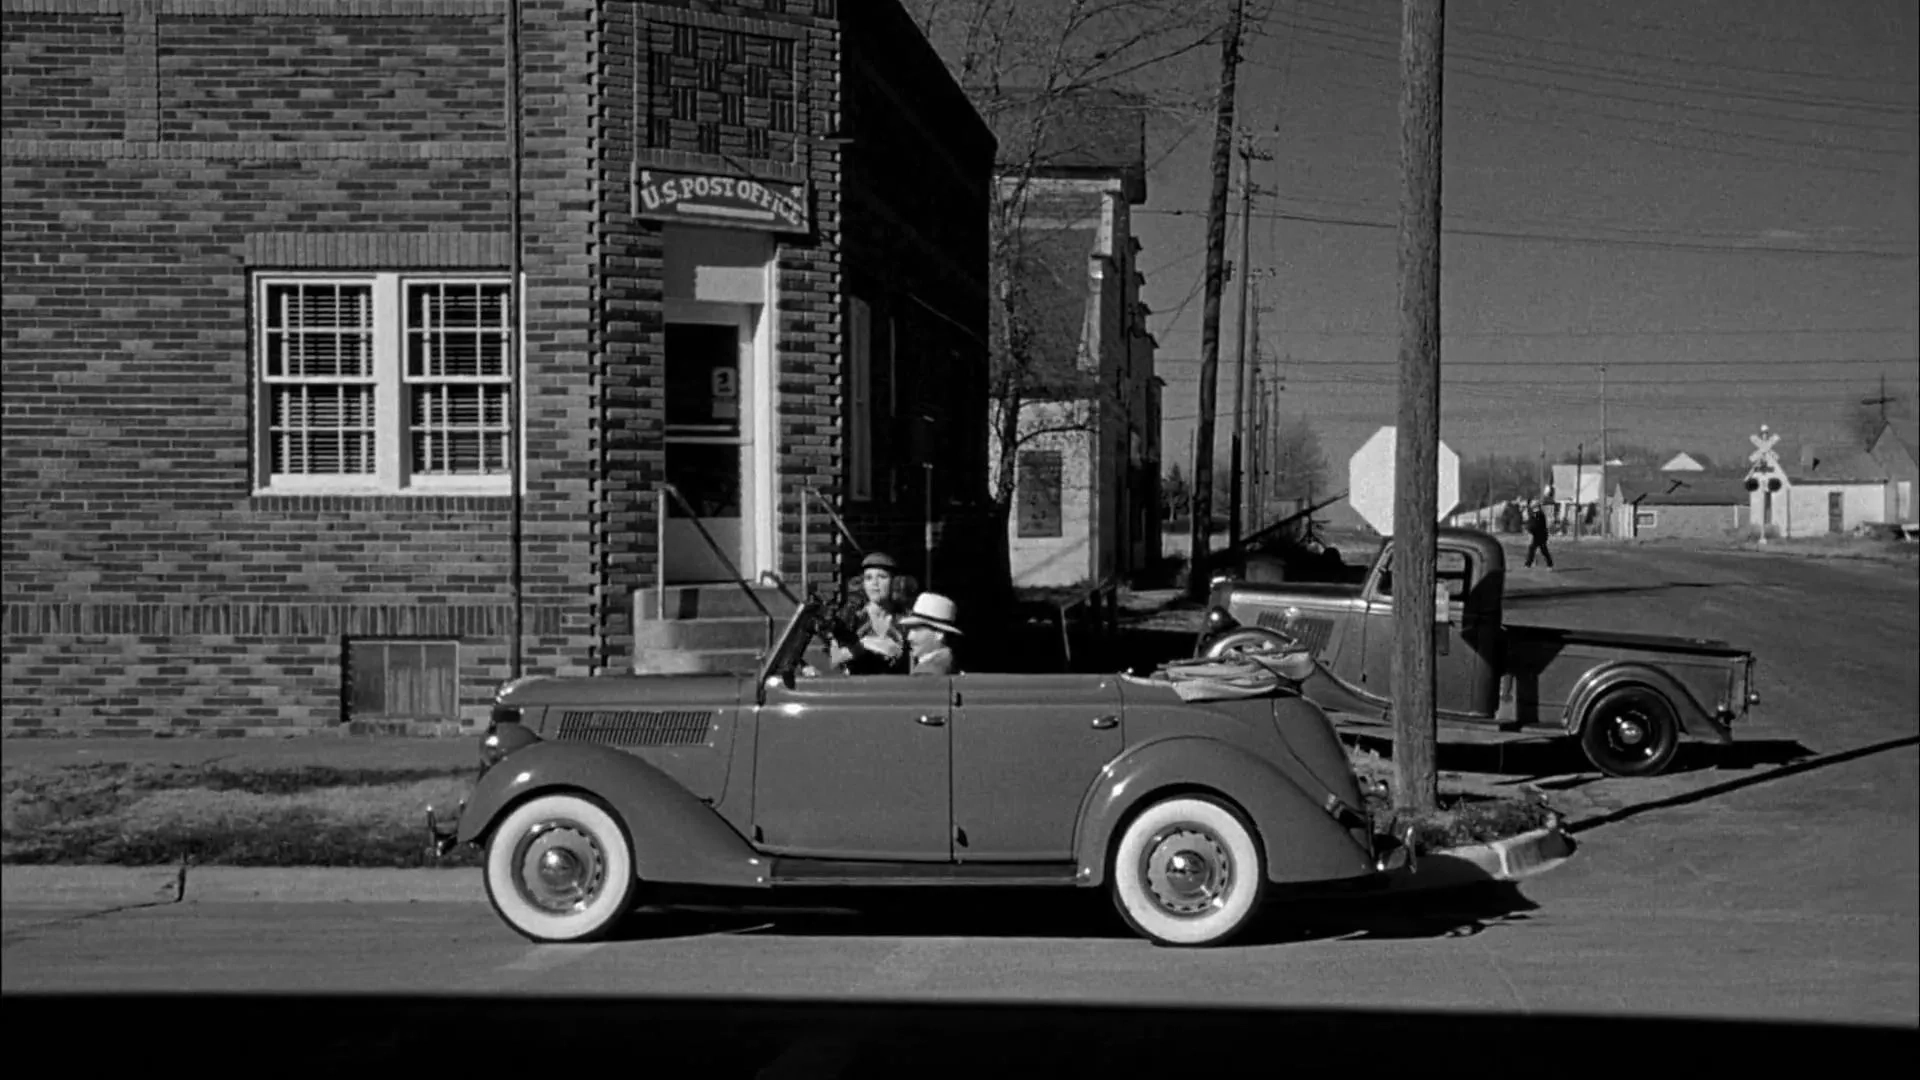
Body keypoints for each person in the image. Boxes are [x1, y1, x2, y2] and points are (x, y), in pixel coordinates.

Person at [827, 551, 911, 675]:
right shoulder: (850, 616)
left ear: (894, 582)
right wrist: (865, 645)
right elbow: (834, 660)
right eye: (868, 578)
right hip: (859, 688)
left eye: (882, 577)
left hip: (896, 688)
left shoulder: (905, 618)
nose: (874, 583)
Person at [896, 592, 962, 676]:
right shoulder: (945, 662)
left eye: (916, 629)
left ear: (939, 634)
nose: (909, 637)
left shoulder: (928, 672)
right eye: (910, 629)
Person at [1525, 500, 1554, 569]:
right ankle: (1529, 564)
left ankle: (1549, 564)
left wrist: (1530, 530)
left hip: (1540, 535)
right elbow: (1531, 523)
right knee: (1533, 549)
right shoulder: (1534, 513)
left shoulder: (1539, 514)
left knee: (1542, 550)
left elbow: (1536, 525)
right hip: (1537, 534)